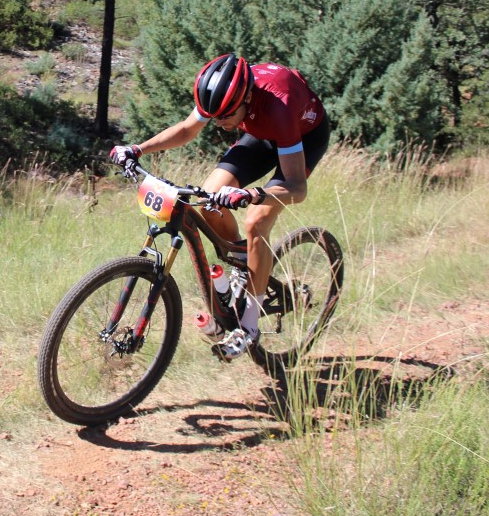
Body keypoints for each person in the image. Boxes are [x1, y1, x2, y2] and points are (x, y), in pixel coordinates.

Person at [110, 53, 330, 360]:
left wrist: (253, 194)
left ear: (247, 97)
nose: (219, 123)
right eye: (213, 116)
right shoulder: (223, 93)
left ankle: (249, 326)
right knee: (211, 202)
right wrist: (137, 149)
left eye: (225, 116)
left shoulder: (278, 106)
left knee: (257, 221)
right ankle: (244, 261)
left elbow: (296, 188)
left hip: (301, 137)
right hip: (261, 132)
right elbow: (188, 129)